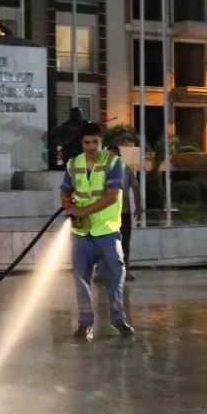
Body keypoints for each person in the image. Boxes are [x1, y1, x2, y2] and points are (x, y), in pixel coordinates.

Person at [61, 123, 134, 340]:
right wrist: (68, 206)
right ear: (81, 143)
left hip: (106, 231)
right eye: (87, 142)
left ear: (101, 142)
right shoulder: (73, 164)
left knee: (115, 275)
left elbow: (112, 196)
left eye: (95, 142)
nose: (91, 146)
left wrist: (81, 211)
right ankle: (85, 323)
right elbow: (65, 191)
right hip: (81, 233)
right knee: (81, 278)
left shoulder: (113, 163)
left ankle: (118, 318)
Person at [105, 145, 142, 281]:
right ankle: (102, 271)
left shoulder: (126, 170)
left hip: (123, 213)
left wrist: (138, 207)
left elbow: (136, 188)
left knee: (124, 242)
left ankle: (124, 270)